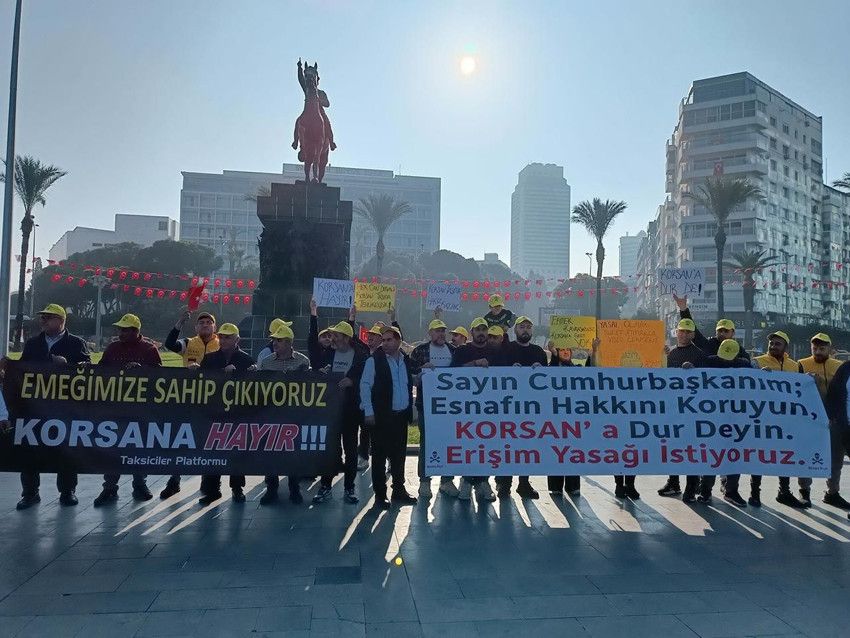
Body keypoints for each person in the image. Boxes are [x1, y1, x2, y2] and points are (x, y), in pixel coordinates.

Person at [15, 304, 90, 510]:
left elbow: (87, 370)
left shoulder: (76, 343)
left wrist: (68, 365)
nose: (43, 321)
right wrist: (49, 360)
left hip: (65, 406)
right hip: (35, 405)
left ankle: (67, 491)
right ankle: (30, 493)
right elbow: (22, 368)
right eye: (42, 317)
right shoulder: (33, 343)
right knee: (30, 447)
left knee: (67, 448)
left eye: (48, 317)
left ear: (61, 320)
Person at [93, 313, 162, 507]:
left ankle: (140, 484)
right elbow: (101, 370)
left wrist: (142, 369)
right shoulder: (112, 348)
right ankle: (109, 487)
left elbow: (160, 376)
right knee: (113, 447)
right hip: (115, 407)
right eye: (119, 329)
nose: (120, 333)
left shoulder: (149, 349)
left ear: (135, 331)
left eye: (124, 330)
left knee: (139, 447)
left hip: (141, 408)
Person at [160, 309, 220, 499]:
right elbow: (169, 344)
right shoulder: (188, 342)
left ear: (214, 327)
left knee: (211, 441)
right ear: (196, 327)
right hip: (189, 399)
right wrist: (179, 324)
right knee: (183, 440)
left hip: (213, 400)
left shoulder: (221, 343)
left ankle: (209, 484)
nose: (205, 325)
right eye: (201, 322)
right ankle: (174, 480)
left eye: (209, 322)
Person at [198, 323, 256, 504]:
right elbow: (201, 381)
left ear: (237, 339)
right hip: (214, 412)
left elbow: (253, 386)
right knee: (212, 451)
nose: (223, 340)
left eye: (228, 337)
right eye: (221, 337)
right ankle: (212, 490)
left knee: (236, 451)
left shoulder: (247, 360)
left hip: (238, 413)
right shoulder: (209, 358)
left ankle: (237, 488)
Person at [360, 326, 417, 508]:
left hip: (401, 417)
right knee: (379, 457)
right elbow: (365, 386)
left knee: (399, 456)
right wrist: (368, 411)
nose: (384, 343)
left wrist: (426, 372)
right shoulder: (373, 361)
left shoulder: (405, 360)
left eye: (388, 340)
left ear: (398, 341)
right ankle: (380, 495)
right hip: (381, 417)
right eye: (383, 340)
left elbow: (410, 381)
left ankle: (399, 490)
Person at [313, 321, 369, 505]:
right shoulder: (328, 353)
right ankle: (325, 486)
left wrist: (352, 382)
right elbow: (318, 369)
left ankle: (349, 487)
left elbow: (366, 378)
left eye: (336, 335)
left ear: (346, 338)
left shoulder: (360, 356)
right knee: (329, 449)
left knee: (351, 450)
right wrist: (322, 373)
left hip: (351, 410)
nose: (332, 339)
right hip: (331, 409)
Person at [693, 339, 753, 507]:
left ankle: (731, 491)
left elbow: (755, 383)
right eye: (722, 357)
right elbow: (695, 377)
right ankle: (705, 491)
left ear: (737, 355)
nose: (725, 361)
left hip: (736, 418)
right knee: (711, 454)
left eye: (729, 358)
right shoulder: (710, 361)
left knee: (735, 454)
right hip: (712, 418)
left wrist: (764, 374)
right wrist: (689, 369)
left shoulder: (744, 365)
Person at [451, 317, 504, 503]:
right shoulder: (462, 351)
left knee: (487, 446)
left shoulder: (496, 351)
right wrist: (474, 364)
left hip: (489, 407)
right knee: (467, 446)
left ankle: (483, 482)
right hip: (466, 407)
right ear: (471, 332)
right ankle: (466, 481)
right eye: (478, 329)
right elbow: (452, 373)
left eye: (484, 329)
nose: (481, 332)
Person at [257, 323, 310, 505]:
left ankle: (294, 488)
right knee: (270, 452)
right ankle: (271, 488)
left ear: (289, 342)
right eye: (274, 340)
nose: (274, 343)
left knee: (294, 452)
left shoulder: (303, 361)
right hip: (271, 414)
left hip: (294, 415)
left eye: (279, 340)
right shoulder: (266, 362)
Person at [752, 331, 806, 508]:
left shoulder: (795, 366)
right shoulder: (757, 362)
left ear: (785, 347)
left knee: (785, 455)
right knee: (759, 455)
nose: (773, 346)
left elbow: (801, 390)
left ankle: (784, 492)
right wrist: (759, 376)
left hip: (786, 419)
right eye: (771, 343)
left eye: (777, 344)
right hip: (762, 417)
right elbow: (748, 387)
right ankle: (754, 493)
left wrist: (810, 380)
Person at [657, 318, 708, 502]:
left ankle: (691, 487)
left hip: (693, 410)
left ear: (693, 334)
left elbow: (706, 381)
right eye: (681, 331)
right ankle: (673, 482)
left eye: (688, 331)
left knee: (691, 449)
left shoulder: (699, 354)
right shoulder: (670, 353)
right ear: (676, 332)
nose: (684, 334)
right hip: (673, 408)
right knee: (674, 447)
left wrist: (694, 372)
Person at [496, 316, 547, 499]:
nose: (525, 330)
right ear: (515, 330)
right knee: (507, 444)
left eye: (528, 327)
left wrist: (541, 370)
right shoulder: (506, 349)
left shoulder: (539, 352)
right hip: (508, 406)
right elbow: (496, 372)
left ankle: (524, 483)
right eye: (522, 327)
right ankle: (504, 484)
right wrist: (510, 369)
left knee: (527, 445)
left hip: (531, 407)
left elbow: (548, 379)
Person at [799, 333, 849, 509]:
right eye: (815, 348)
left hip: (834, 420)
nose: (818, 352)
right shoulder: (801, 364)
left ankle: (832, 493)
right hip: (809, 420)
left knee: (836, 459)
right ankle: (804, 491)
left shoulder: (840, 366)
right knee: (806, 456)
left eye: (822, 348)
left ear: (830, 349)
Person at [410, 319, 457, 497]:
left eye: (443, 331)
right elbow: (410, 374)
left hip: (450, 407)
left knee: (449, 442)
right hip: (426, 405)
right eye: (437, 331)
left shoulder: (453, 350)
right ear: (430, 333)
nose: (441, 334)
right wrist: (421, 371)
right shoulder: (420, 350)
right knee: (426, 442)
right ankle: (424, 482)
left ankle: (447, 481)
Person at [674, 294, 750, 361]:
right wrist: (683, 309)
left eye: (726, 331)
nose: (722, 333)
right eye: (720, 330)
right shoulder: (708, 345)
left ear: (733, 333)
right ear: (716, 332)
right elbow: (693, 329)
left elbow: (747, 365)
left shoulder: (739, 350)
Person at [825, 360, 850, 520]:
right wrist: (832, 415)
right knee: (835, 462)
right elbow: (833, 393)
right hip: (843, 424)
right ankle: (832, 493)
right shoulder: (846, 368)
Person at [296, 58, 336, 151]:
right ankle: (296, 142)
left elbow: (327, 104)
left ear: (317, 79)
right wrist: (299, 68)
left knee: (326, 122)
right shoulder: (307, 90)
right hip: (307, 110)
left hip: (320, 111)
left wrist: (319, 101)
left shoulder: (321, 92)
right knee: (299, 121)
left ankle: (331, 142)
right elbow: (301, 79)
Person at [308, 298, 335, 370]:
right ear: (318, 339)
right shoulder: (314, 349)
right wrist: (313, 310)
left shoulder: (335, 351)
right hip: (315, 376)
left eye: (329, 336)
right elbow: (313, 332)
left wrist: (352, 317)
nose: (327, 338)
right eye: (324, 336)